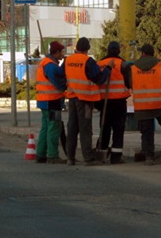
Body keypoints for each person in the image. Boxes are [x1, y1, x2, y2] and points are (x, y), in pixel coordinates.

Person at [64, 37, 113, 166]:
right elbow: (99, 79)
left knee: (72, 128)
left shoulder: (68, 60)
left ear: (76, 48)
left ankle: (70, 157)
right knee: (85, 128)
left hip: (72, 97)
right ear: (87, 49)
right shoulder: (88, 61)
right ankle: (88, 158)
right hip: (85, 99)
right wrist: (108, 68)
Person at [96, 41, 131, 164]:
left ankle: (102, 154)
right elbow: (129, 82)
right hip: (119, 101)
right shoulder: (123, 64)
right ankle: (116, 157)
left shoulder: (99, 63)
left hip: (104, 101)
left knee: (104, 128)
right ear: (118, 51)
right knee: (118, 129)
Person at [35, 41, 67, 164]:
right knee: (54, 128)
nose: (62, 54)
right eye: (61, 52)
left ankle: (41, 154)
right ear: (57, 52)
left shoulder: (45, 63)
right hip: (52, 101)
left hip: (44, 101)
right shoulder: (51, 65)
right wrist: (66, 86)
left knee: (45, 127)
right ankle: (52, 155)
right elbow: (58, 83)